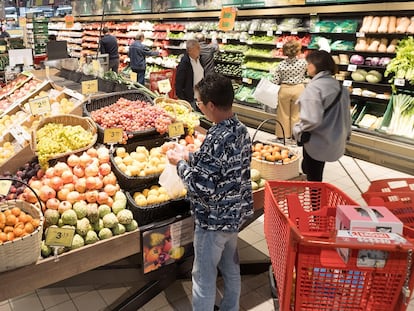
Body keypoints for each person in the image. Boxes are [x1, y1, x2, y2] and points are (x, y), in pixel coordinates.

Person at [167, 73, 254, 311]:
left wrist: (180, 165)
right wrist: (189, 155)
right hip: (234, 215)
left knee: (203, 278)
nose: (199, 106)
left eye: (199, 102)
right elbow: (222, 165)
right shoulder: (240, 129)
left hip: (213, 221)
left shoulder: (215, 136)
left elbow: (201, 186)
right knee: (230, 269)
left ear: (211, 105)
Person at [292, 50, 352, 182]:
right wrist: (347, 134)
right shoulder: (340, 87)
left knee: (314, 177)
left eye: (308, 63)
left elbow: (311, 120)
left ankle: (316, 202)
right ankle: (316, 199)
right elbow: (347, 116)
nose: (307, 66)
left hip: (317, 141)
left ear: (315, 65)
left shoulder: (314, 88)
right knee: (314, 170)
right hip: (335, 139)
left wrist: (297, 130)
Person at [272, 39, 307, 140]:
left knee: (283, 114)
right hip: (299, 89)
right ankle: (295, 135)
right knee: (297, 114)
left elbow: (275, 80)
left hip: (285, 89)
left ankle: (282, 135)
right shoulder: (303, 63)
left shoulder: (281, 65)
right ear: (297, 51)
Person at [175, 39, 204, 110]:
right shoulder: (184, 63)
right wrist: (182, 99)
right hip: (190, 98)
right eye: (197, 48)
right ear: (190, 50)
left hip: (200, 96)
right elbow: (179, 82)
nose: (199, 49)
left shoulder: (200, 59)